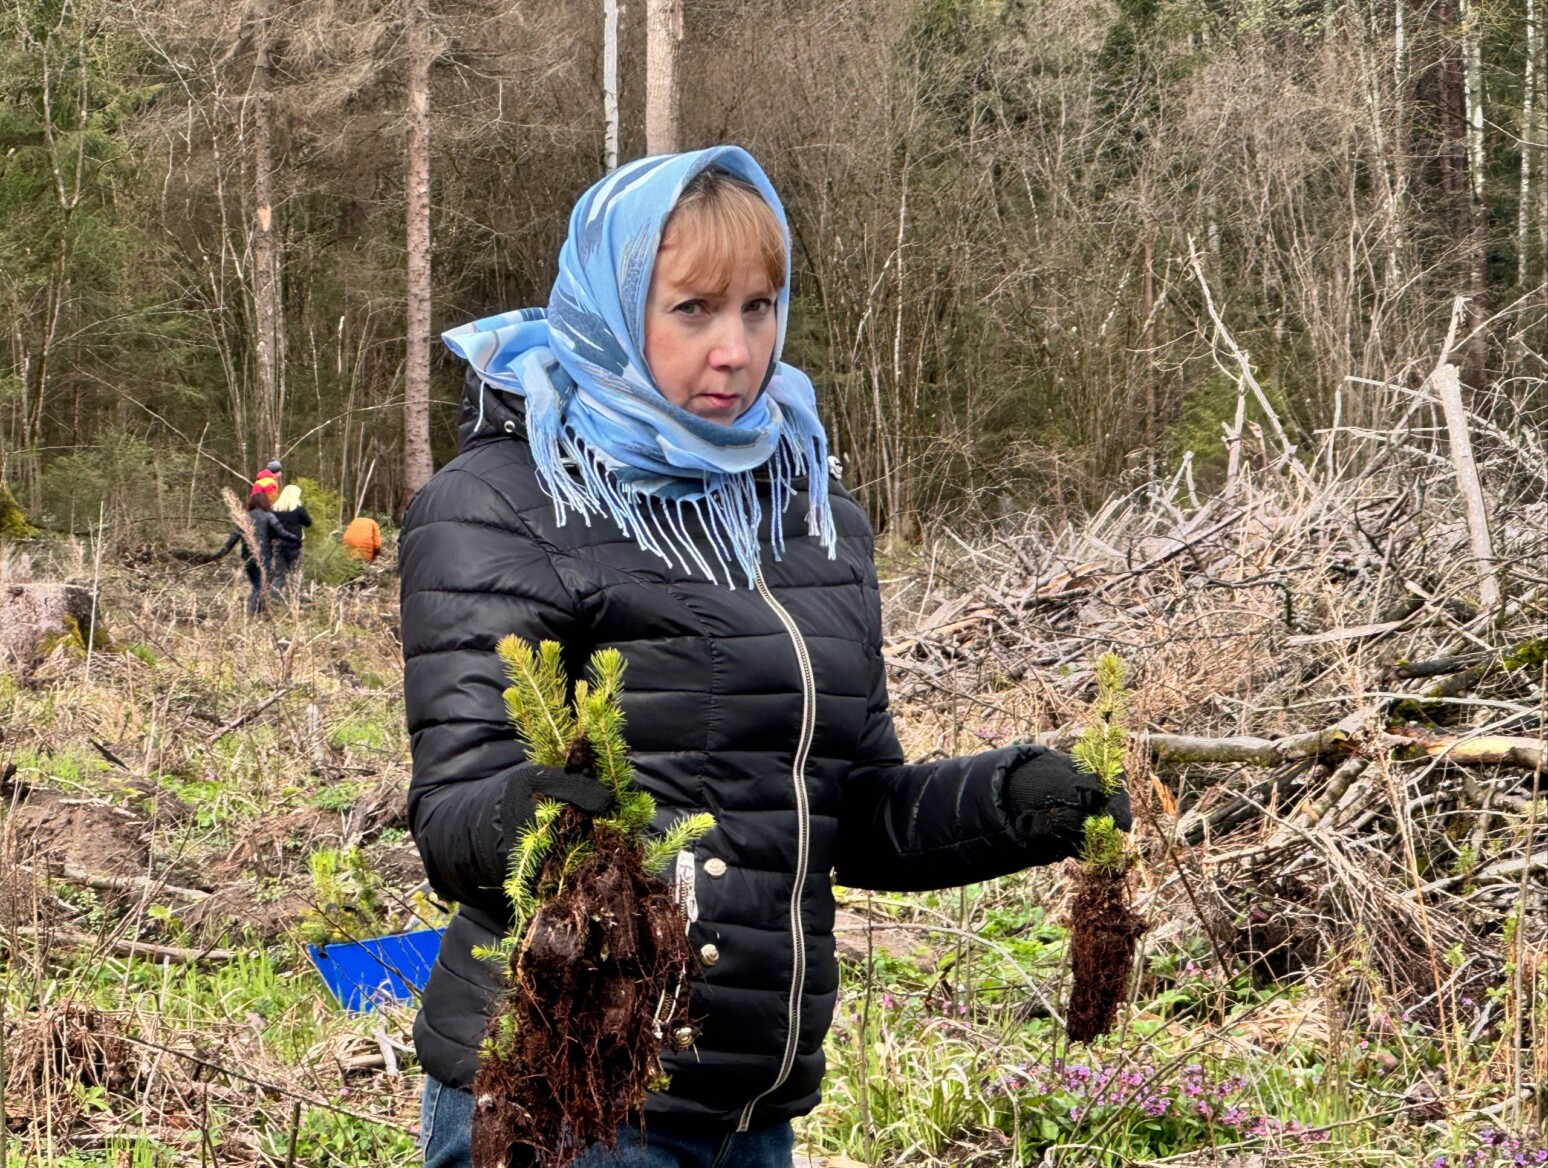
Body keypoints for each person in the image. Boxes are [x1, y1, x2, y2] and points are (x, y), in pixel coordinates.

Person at [401, 148, 1132, 1168]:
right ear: (610, 310)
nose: (736, 350)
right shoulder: (503, 503)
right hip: (567, 1098)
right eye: (692, 309)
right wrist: (538, 813)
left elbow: (854, 809)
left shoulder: (809, 513)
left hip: (749, 1107)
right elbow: (450, 822)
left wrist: (1013, 804)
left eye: (759, 307)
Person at [210, 489, 299, 615]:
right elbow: (282, 533)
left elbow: (232, 540)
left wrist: (218, 555)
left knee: (258, 585)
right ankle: (251, 613)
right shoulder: (269, 516)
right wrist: (296, 539)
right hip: (263, 557)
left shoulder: (243, 518)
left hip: (247, 558)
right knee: (261, 586)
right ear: (265, 502)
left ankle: (262, 612)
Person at [270, 483, 312, 593]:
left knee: (279, 574)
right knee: (295, 573)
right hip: (295, 544)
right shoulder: (298, 510)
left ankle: (273, 596)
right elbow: (308, 523)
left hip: (279, 544)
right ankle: (294, 597)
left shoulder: (273, 510)